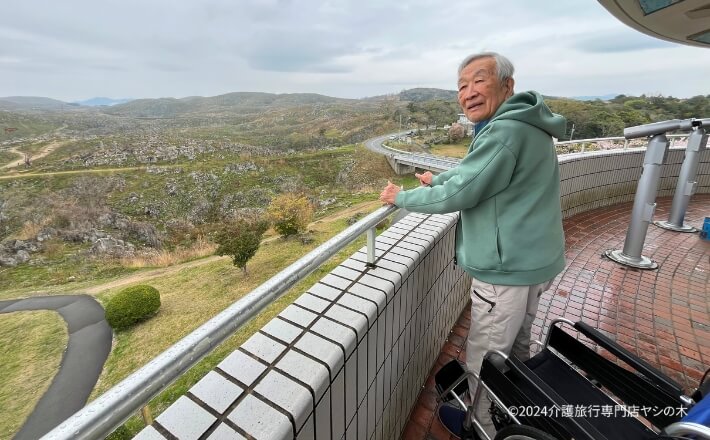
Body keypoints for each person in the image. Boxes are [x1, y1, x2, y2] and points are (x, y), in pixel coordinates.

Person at [379, 52, 567, 439]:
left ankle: (478, 425)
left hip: (506, 269)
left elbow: (462, 190)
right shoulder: (524, 124)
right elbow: (473, 174)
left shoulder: (504, 131)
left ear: (507, 85)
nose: (468, 93)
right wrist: (438, 182)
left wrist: (402, 198)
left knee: (485, 354)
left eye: (478, 81)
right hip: (533, 261)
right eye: (462, 86)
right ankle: (517, 409)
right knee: (516, 344)